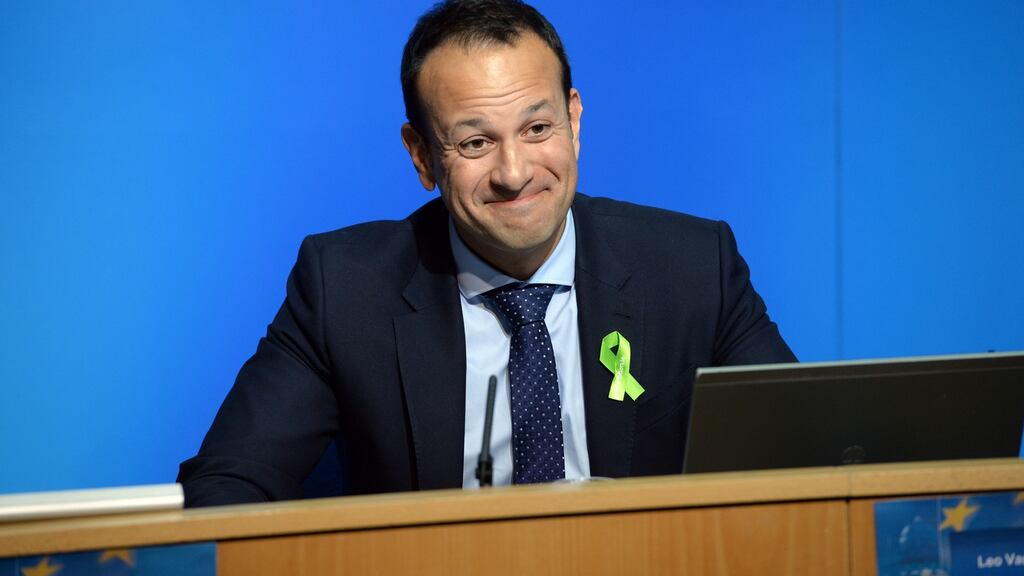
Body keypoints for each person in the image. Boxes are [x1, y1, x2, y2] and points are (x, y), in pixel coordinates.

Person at [178, 0, 796, 507]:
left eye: (537, 128)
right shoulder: (342, 290)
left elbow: (806, 457)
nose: (514, 172)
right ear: (421, 156)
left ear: (574, 120)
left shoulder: (693, 268)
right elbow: (229, 484)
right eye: (475, 141)